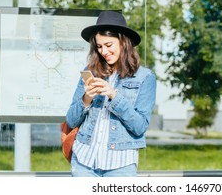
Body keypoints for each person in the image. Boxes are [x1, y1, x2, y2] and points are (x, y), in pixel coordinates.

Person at [66, 10, 157, 177]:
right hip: (84, 162)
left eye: (109, 45)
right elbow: (71, 120)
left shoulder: (145, 78)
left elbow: (140, 127)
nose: (103, 51)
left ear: (124, 42)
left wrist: (114, 97)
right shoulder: (90, 72)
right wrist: (87, 98)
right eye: (99, 46)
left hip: (120, 165)